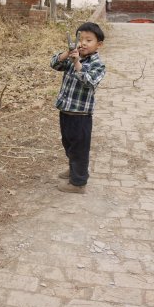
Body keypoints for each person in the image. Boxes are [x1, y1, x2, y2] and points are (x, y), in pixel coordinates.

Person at [50, 22, 106, 194]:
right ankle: (74, 169)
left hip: (80, 115)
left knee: (79, 148)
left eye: (88, 40)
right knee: (68, 144)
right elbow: (54, 64)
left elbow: (89, 81)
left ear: (99, 44)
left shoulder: (97, 64)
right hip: (65, 111)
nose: (83, 43)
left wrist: (77, 63)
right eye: (80, 39)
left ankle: (78, 183)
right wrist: (68, 53)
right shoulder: (72, 57)